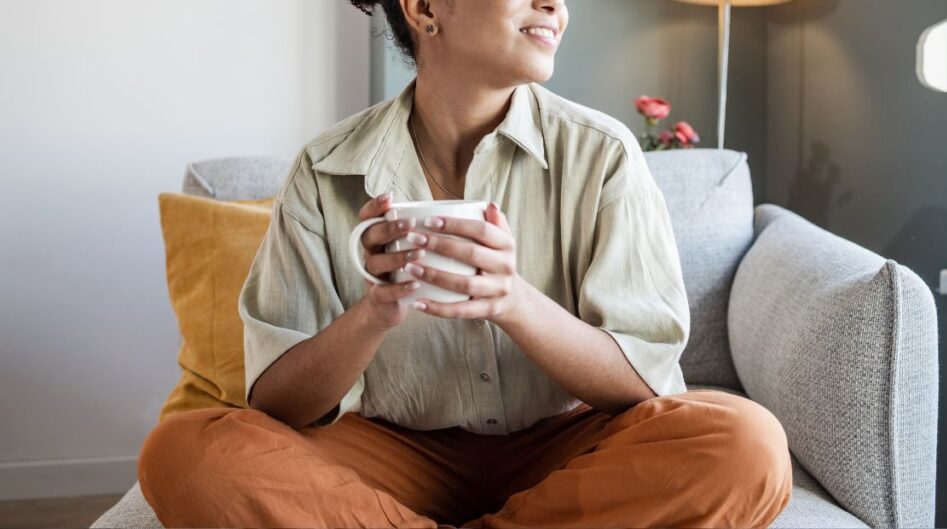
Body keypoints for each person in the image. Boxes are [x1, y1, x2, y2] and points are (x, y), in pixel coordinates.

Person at [136, 0, 793, 527]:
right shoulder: (323, 169)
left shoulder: (604, 156)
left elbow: (645, 386)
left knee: (748, 444)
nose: (554, 6)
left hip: (566, 448)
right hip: (390, 451)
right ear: (425, 8)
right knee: (184, 453)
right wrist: (376, 310)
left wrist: (512, 299)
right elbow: (277, 403)